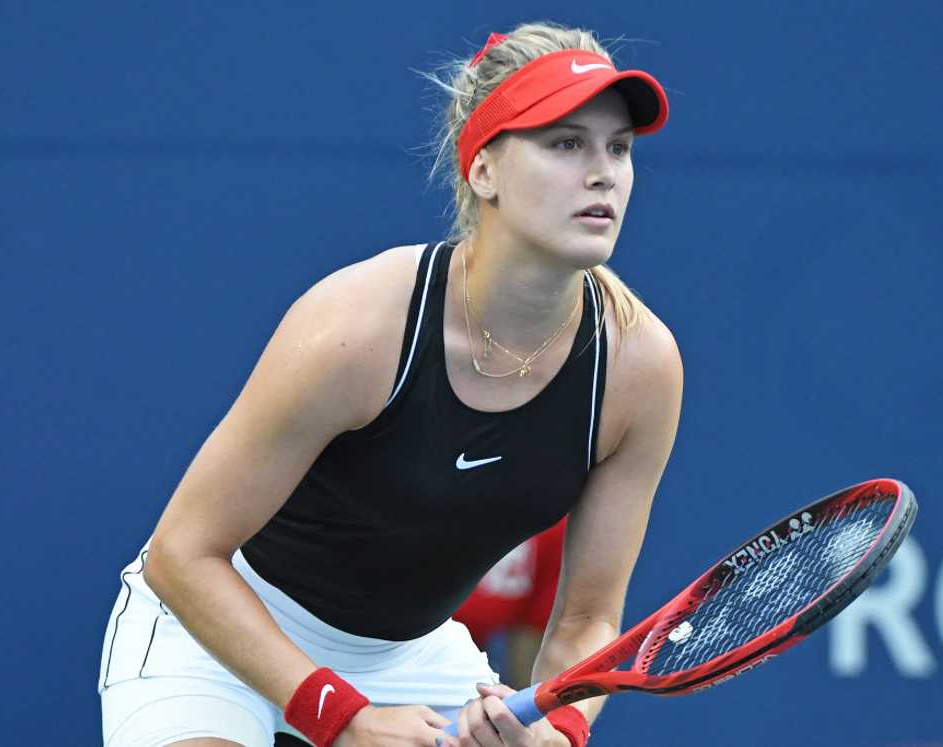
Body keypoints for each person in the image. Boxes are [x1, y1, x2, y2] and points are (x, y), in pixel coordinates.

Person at [97, 20, 682, 747]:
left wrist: (558, 729)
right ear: (485, 171)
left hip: (408, 656)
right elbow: (181, 554)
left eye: (618, 148)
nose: (603, 172)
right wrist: (338, 716)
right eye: (566, 143)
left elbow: (587, 616)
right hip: (215, 627)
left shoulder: (639, 365)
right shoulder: (357, 326)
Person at [454, 518, 567, 690]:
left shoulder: (553, 519)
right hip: (403, 651)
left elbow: (530, 635)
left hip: (466, 666)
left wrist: (528, 710)